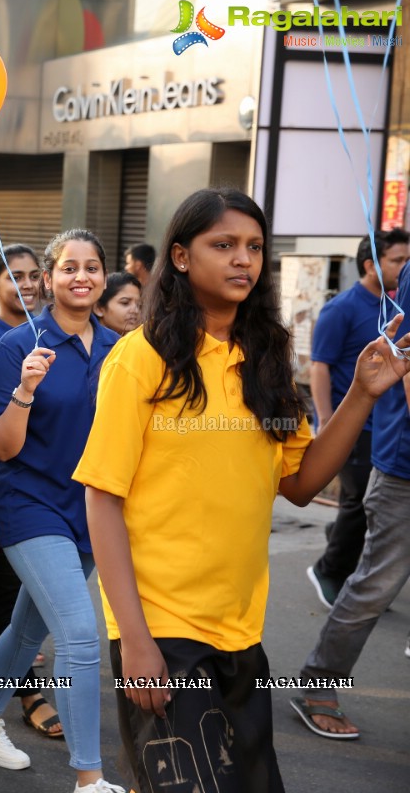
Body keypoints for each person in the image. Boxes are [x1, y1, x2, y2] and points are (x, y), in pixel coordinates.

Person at [73, 188, 410, 791]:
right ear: (180, 257)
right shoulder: (140, 359)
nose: (243, 261)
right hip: (162, 629)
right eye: (222, 245)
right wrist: (136, 641)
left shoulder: (268, 357)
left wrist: (362, 393)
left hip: (240, 629)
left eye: (253, 247)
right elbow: (103, 499)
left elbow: (301, 483)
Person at [0, 230, 120, 788]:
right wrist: (25, 390)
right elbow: (1, 447)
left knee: (26, 628)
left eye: (91, 267)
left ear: (104, 278)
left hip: (90, 508)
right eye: (68, 268)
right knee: (81, 634)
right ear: (48, 278)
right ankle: (89, 778)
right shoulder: (20, 346)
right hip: (29, 503)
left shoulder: (121, 348)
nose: (80, 277)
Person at [293, 227, 410, 741]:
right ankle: (318, 682)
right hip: (401, 466)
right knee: (375, 585)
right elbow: (402, 366)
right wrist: (324, 423)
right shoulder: (345, 308)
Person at [0, 244, 63, 741]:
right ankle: (25, 691)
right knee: (15, 591)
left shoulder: (52, 335)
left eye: (33, 276)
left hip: (45, 480)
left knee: (13, 591)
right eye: (15, 277)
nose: (26, 284)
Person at [306, 229, 409, 606]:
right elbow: (319, 367)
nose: (404, 266)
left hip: (381, 423)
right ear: (371, 265)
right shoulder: (342, 308)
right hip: (349, 424)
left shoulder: (395, 306)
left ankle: (341, 539)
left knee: (362, 503)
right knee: (359, 503)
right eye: (397, 260)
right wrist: (327, 421)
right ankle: (329, 569)